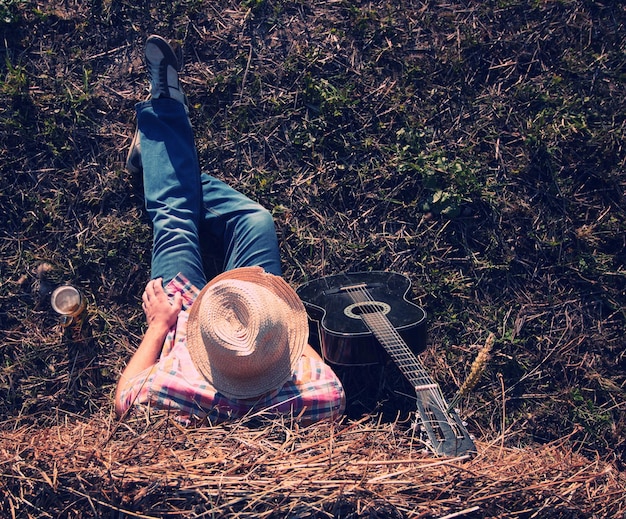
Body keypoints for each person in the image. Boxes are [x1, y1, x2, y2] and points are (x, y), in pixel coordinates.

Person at [114, 35, 345, 425]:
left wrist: (160, 326)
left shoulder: (173, 391)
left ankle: (164, 134)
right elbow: (328, 382)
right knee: (255, 220)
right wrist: (281, 329)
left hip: (180, 310)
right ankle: (162, 159)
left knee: (174, 218)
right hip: (256, 307)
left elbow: (123, 398)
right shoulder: (317, 401)